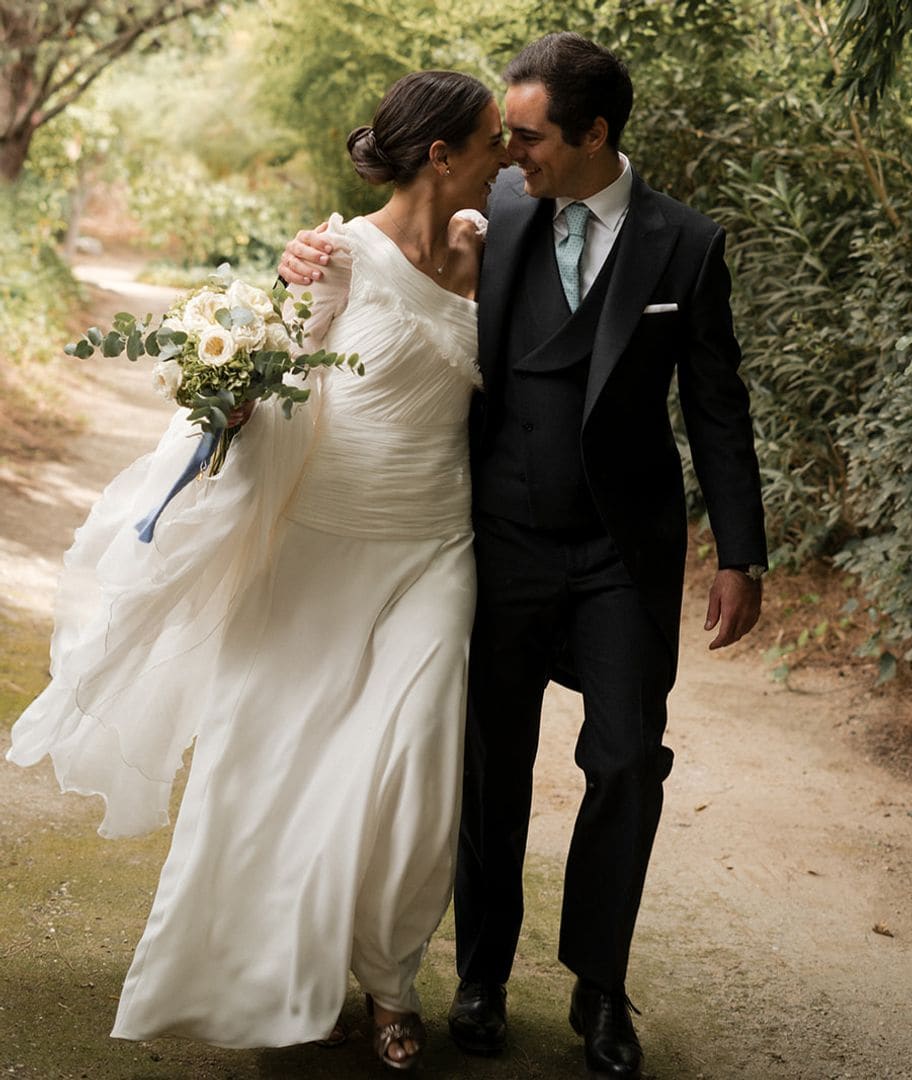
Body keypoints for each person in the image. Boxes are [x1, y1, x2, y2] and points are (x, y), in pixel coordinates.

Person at [280, 32, 767, 1080]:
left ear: (595, 134)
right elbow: (383, 274)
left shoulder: (686, 244)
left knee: (629, 762)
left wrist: (743, 552)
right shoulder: (486, 216)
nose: (512, 153)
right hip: (496, 538)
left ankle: (600, 989)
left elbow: (719, 408)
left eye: (532, 135)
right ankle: (481, 980)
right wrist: (304, 262)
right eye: (506, 135)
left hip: (622, 551)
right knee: (488, 771)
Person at [7, 70, 509, 1072]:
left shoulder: (492, 250)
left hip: (436, 544)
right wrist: (229, 399)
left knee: (416, 764)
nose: (506, 157)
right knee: (277, 759)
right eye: (492, 140)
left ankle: (393, 982)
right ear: (443, 155)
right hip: (320, 540)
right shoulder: (334, 257)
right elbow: (265, 384)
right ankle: (284, 977)